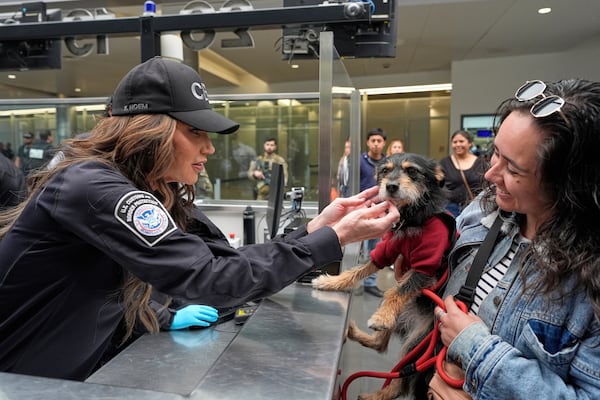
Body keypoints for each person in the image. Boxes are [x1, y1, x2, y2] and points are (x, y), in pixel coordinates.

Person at [0, 56, 400, 381]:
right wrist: (331, 238)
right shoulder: (92, 186)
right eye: (195, 131)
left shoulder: (149, 189)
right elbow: (210, 278)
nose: (209, 147)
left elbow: (219, 258)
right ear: (149, 131)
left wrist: (315, 230)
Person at [433, 79, 600, 399]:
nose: (490, 174)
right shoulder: (482, 214)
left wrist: (474, 348)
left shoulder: (588, 281)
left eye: (513, 169)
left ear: (567, 184)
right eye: (494, 153)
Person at [359, 128, 388, 297]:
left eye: (379, 141)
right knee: (356, 249)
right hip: (361, 210)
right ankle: (353, 281)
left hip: (380, 211)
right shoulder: (359, 161)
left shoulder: (388, 162)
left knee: (376, 248)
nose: (376, 144)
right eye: (373, 141)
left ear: (384, 143)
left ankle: (370, 283)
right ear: (367, 142)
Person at [439, 129, 486, 217]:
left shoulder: (481, 162)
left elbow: (486, 184)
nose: (458, 144)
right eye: (455, 142)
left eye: (461, 141)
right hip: (451, 207)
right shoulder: (445, 163)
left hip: (475, 207)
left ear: (470, 143)